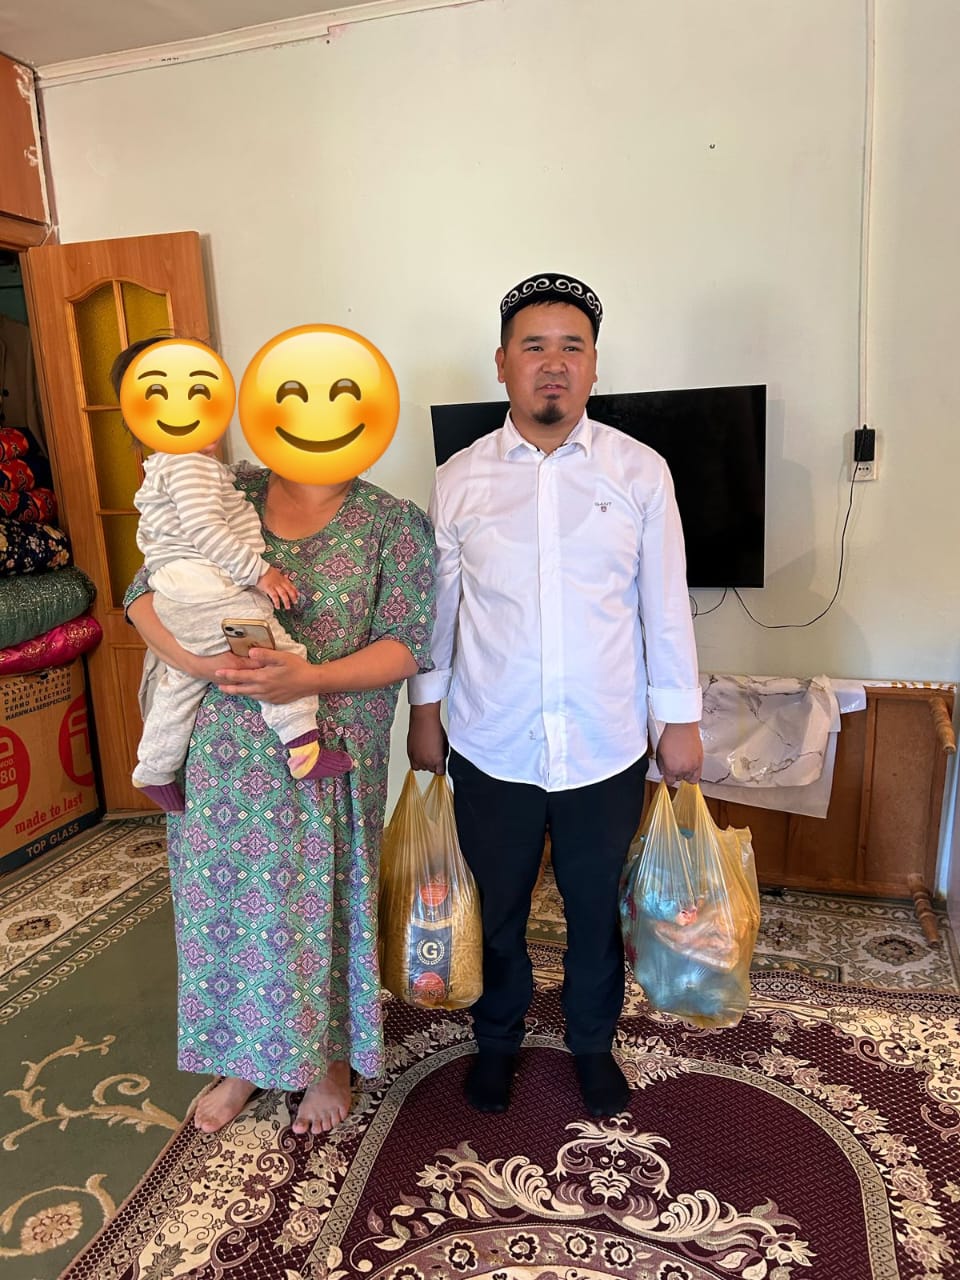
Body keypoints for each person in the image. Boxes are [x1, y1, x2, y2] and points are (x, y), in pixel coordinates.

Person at [406, 271, 703, 1118]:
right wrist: (425, 714)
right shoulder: (459, 478)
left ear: (594, 366)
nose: (554, 363)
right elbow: (439, 611)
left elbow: (665, 606)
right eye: (534, 346)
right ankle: (496, 1042)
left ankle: (592, 1044)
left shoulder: (639, 472)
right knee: (496, 909)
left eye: (573, 347)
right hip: (490, 739)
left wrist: (679, 721)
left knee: (593, 909)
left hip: (605, 743)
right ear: (502, 363)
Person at [127, 457, 435, 1134]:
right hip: (221, 759)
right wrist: (199, 664)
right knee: (228, 906)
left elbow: (408, 646)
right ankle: (241, 1060)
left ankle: (328, 1061)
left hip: (327, 755)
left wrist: (307, 679)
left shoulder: (392, 523)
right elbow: (143, 594)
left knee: (323, 906)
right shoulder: (222, 490)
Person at [112, 336, 351, 813]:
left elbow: (210, 499)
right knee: (274, 654)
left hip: (180, 595)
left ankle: (154, 767)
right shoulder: (190, 469)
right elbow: (207, 530)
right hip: (211, 594)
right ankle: (303, 750)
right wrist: (261, 573)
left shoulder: (173, 466)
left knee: (182, 681)